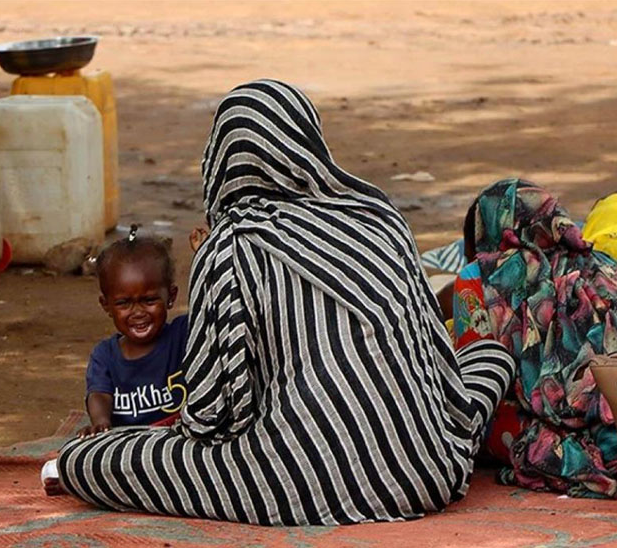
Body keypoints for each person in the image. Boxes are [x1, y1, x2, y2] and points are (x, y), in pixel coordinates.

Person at [54, 79, 515, 525]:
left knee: (83, 460)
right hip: (428, 472)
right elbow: (435, 363)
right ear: (307, 140)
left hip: (294, 481)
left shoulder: (229, 245)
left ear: (220, 157)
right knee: (488, 355)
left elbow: (211, 417)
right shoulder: (380, 218)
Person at [453, 179, 617, 497]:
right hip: (607, 410)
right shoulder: (605, 266)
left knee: (477, 422)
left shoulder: (477, 278)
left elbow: (477, 370)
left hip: (559, 422)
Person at [42, 226, 189, 495]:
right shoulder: (104, 355)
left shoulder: (182, 335)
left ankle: (92, 484)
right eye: (124, 303)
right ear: (106, 305)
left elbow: (210, 312)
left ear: (172, 297)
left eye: (149, 300)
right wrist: (100, 422)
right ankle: (81, 476)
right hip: (122, 447)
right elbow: (99, 393)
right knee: (74, 453)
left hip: (174, 441)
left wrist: (204, 261)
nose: (138, 312)